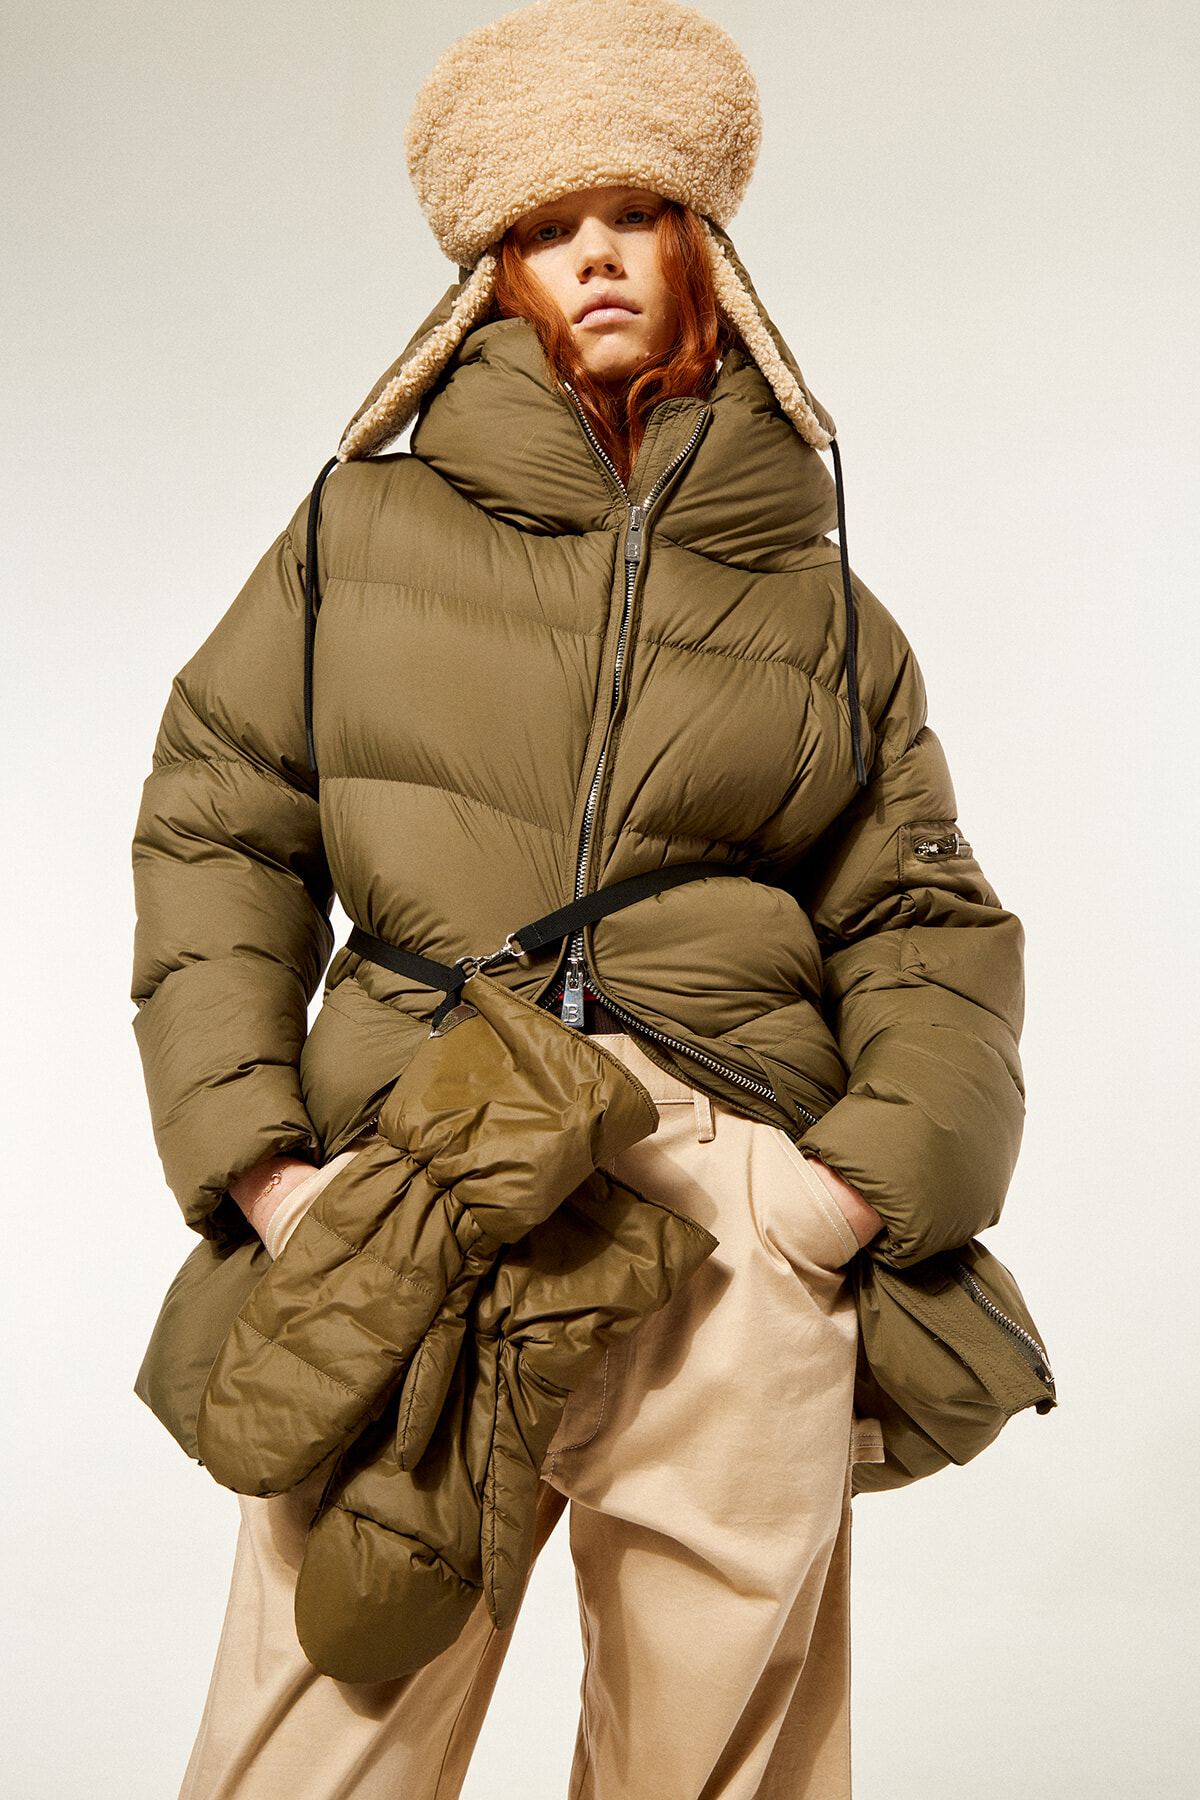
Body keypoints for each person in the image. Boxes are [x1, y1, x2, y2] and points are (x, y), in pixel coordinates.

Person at [131, 3, 1027, 1796]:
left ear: (706, 253)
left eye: (635, 214)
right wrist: (270, 1173)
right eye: (547, 226)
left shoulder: (826, 613)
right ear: (494, 272)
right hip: (424, 1179)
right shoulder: (355, 535)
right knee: (318, 1743)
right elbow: (217, 826)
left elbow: (924, 923)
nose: (595, 255)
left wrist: (832, 1199)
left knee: (723, 1767)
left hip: (732, 1215)